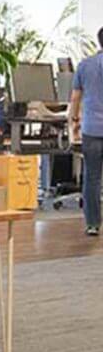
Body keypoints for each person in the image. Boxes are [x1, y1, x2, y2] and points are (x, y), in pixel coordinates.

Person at [71, 29, 103, 237]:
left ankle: (92, 224)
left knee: (92, 178)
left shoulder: (85, 65)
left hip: (91, 128)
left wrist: (74, 120)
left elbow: (75, 98)